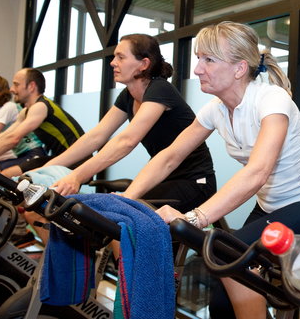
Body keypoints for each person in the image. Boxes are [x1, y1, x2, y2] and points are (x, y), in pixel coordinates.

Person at [123, 21, 300, 319]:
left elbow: (257, 172)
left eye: (208, 60)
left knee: (228, 257)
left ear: (240, 68)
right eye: (198, 59)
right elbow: (170, 157)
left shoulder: (271, 101)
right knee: (222, 304)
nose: (197, 69)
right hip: (270, 207)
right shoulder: (217, 109)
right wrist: (128, 200)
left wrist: (195, 217)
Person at [45, 33, 215, 204]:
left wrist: (77, 176)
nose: (113, 62)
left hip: (193, 181)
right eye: (114, 57)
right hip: (161, 177)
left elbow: (126, 141)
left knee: (119, 213)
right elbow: (96, 136)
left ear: (144, 64)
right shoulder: (128, 96)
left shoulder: (160, 89)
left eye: (121, 57)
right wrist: (44, 169)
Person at [0, 68, 85, 177]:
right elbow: (3, 137)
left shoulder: (41, 106)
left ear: (31, 86)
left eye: (16, 85)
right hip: (61, 158)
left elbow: (13, 139)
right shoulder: (25, 112)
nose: (12, 89)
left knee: (6, 176)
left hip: (77, 160)